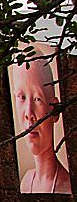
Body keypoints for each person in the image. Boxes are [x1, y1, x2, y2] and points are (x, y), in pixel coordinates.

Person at [11, 59, 72, 194]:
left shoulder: (66, 186)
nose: (29, 113)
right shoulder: (26, 181)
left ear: (55, 110)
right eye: (22, 97)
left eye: (38, 99)